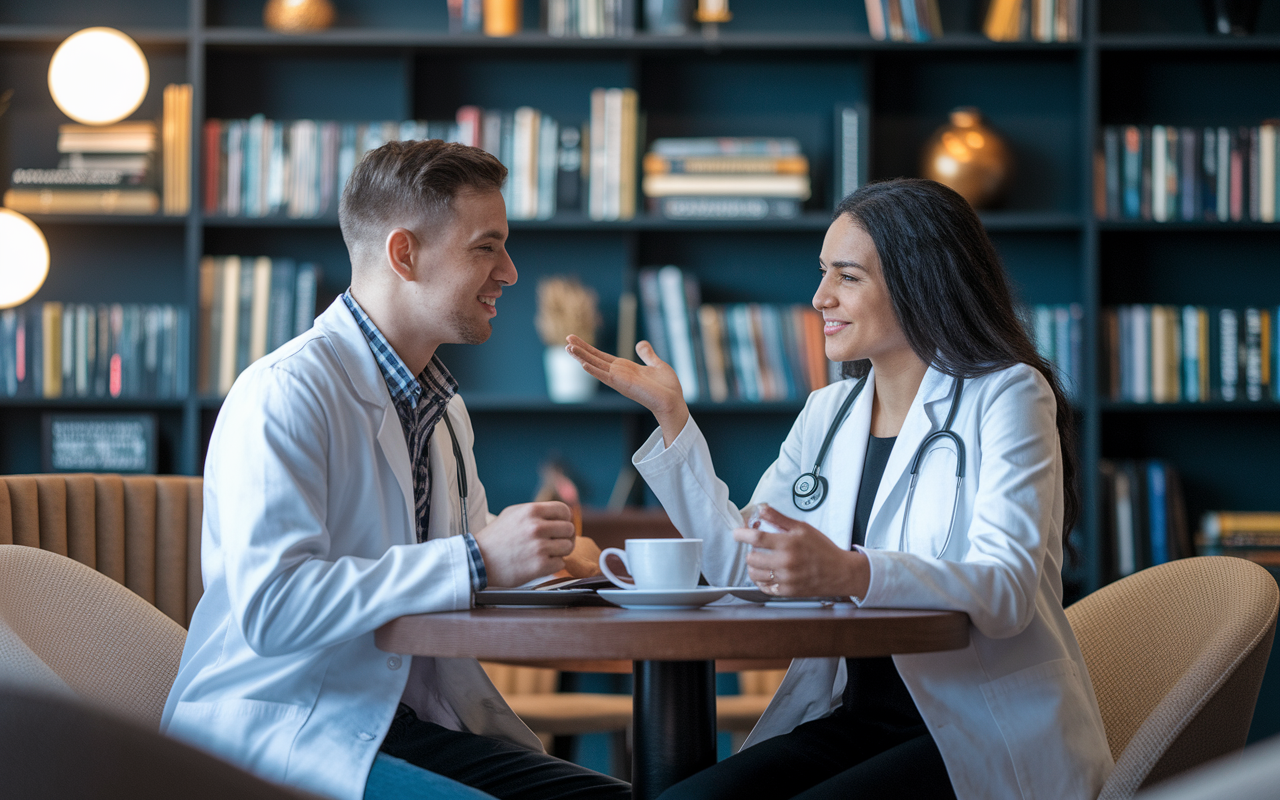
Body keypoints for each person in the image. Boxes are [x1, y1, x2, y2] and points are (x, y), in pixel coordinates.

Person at [565, 178, 1113, 800]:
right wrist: (674, 423)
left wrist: (849, 572)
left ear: (919, 280)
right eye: (823, 272)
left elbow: (1008, 588)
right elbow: (742, 569)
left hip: (977, 732)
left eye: (847, 277)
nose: (820, 297)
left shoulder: (1008, 394)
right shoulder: (829, 413)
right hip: (855, 720)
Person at [161, 139, 630, 800]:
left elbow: (460, 572)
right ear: (404, 253)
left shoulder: (441, 407)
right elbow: (271, 608)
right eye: (486, 247)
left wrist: (549, 569)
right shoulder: (286, 390)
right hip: (286, 732)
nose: (511, 273)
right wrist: (478, 560)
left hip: (398, 724)